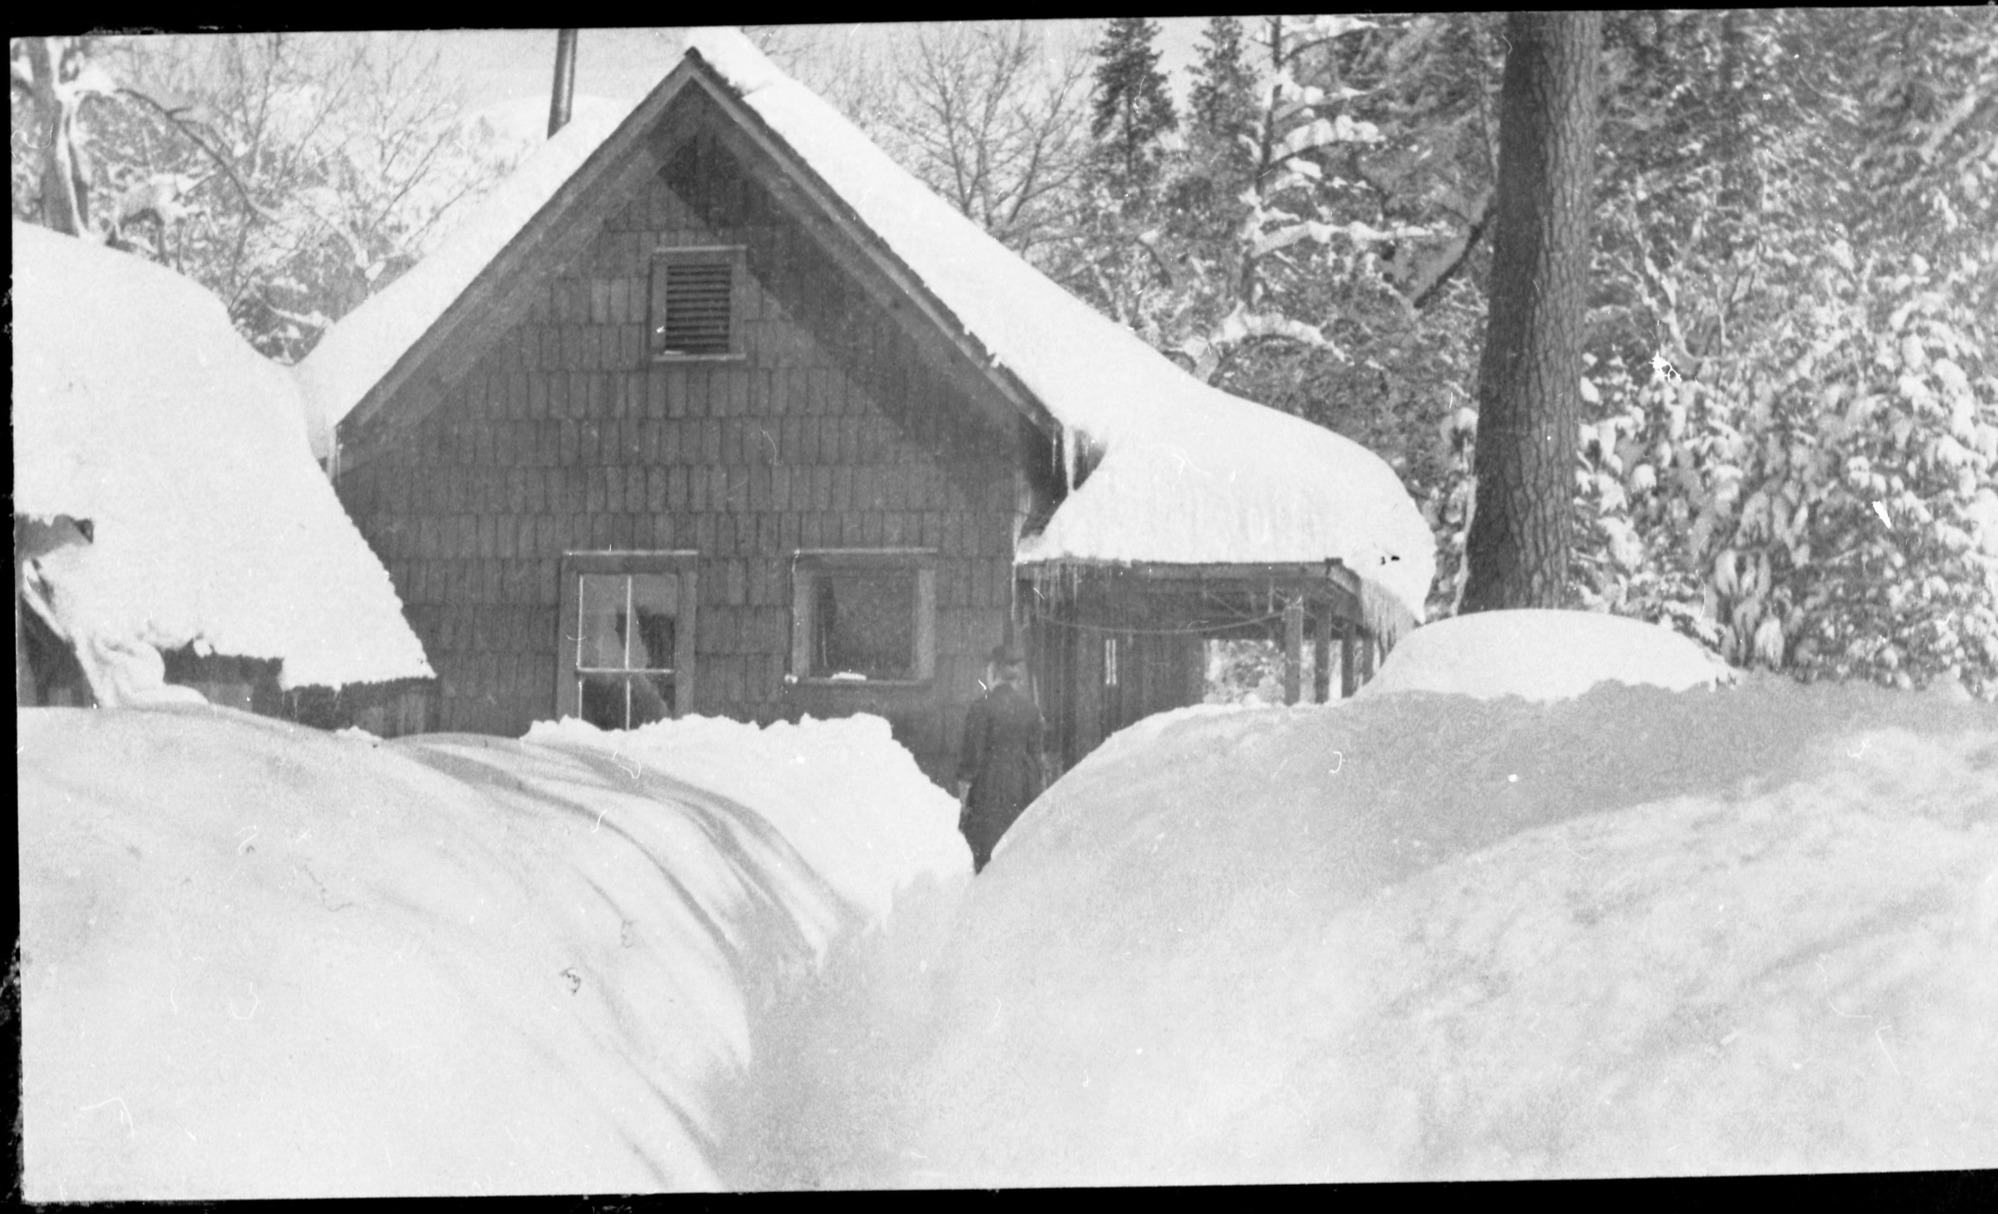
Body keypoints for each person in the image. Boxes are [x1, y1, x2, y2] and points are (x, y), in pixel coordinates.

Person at [955, 641, 1047, 873]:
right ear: (1015, 677)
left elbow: (971, 761)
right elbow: (1037, 762)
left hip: (988, 796)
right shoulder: (1031, 710)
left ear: (993, 672)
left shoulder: (981, 708)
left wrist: (964, 801)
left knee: (986, 862)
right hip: (1022, 794)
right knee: (1015, 862)